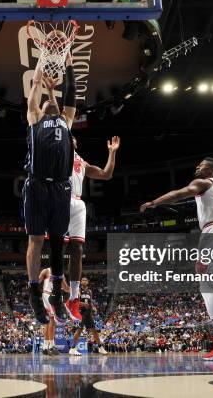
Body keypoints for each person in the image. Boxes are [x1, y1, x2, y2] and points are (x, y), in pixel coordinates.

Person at [140, 157, 213, 361]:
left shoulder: (204, 183)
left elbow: (180, 193)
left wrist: (155, 202)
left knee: (207, 287)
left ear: (211, 170)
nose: (197, 167)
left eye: (201, 165)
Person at [23, 53, 76, 324]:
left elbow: (71, 93)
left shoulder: (67, 121)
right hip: (37, 184)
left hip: (61, 188)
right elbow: (34, 87)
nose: (48, 103)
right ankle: (34, 293)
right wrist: (43, 57)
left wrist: (67, 65)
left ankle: (56, 292)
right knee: (36, 240)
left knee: (57, 243)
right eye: (45, 102)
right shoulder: (34, 118)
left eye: (51, 102)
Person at [64, 136, 120, 321]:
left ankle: (73, 298)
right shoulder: (55, 151)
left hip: (78, 203)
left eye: (72, 137)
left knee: (78, 249)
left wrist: (112, 153)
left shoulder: (81, 161)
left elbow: (106, 174)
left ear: (76, 143)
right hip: (59, 198)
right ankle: (56, 292)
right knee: (55, 247)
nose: (70, 137)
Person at [68, 277, 107, 356]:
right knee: (79, 330)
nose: (84, 281)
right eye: (83, 280)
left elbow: (90, 302)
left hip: (88, 313)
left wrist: (93, 308)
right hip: (81, 312)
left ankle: (100, 347)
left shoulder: (89, 291)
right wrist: (83, 304)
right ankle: (72, 348)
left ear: (88, 282)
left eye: (86, 280)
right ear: (81, 282)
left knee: (94, 330)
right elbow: (74, 302)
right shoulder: (78, 290)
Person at [39, 267, 69, 356]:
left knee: (49, 322)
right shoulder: (46, 271)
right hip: (47, 295)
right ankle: (51, 345)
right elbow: (36, 283)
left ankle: (46, 346)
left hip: (55, 297)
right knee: (51, 320)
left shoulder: (61, 273)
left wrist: (74, 291)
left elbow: (65, 288)